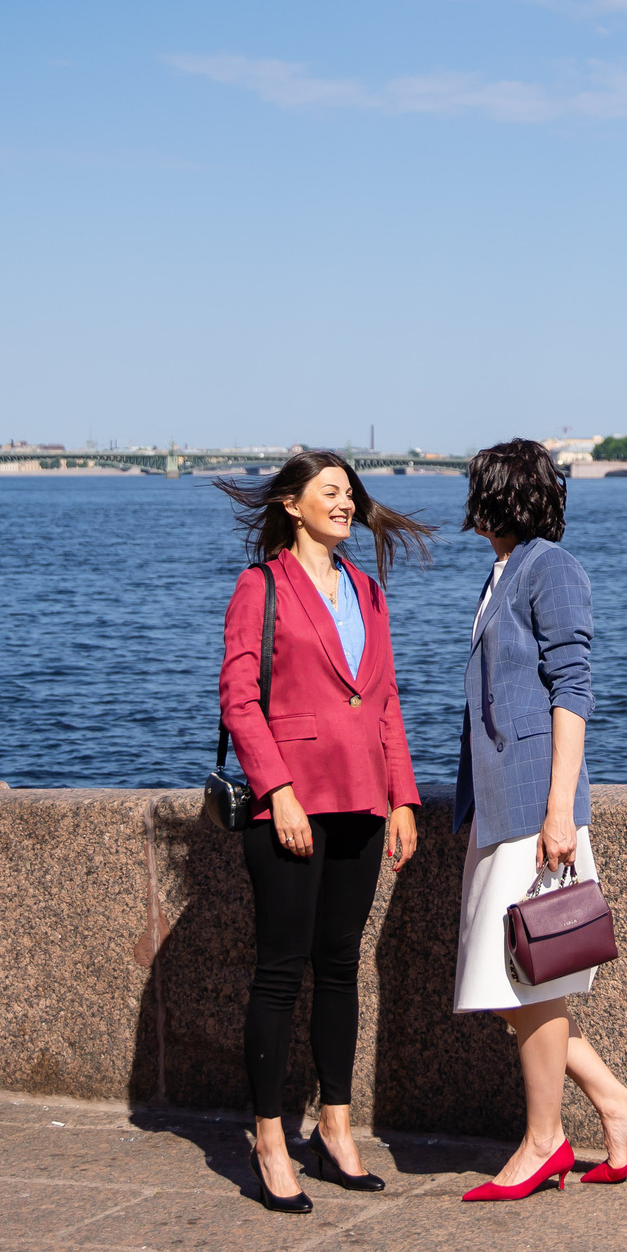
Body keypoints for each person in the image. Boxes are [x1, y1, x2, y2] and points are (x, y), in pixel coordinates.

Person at [215, 452, 433, 1213]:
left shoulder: (369, 591)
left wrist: (402, 796)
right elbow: (239, 700)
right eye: (330, 493)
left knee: (341, 965)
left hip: (364, 805)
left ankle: (336, 1128)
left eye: (351, 494)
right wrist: (278, 791)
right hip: (293, 806)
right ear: (291, 504)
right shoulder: (261, 587)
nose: (346, 504)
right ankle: (270, 1138)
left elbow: (386, 704)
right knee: (281, 971)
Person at [450, 439, 627, 1202]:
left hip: (535, 807)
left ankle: (544, 1142)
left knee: (525, 978)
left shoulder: (551, 567)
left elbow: (573, 690)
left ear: (497, 494)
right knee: (523, 984)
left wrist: (558, 810)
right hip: (499, 802)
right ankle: (619, 1105)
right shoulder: (505, 569)